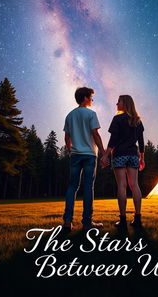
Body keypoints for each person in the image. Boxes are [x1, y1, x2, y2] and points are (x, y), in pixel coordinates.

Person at [63, 87, 107, 231]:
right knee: (88, 187)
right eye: (91, 97)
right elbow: (95, 134)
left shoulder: (69, 115)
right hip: (89, 155)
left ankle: (67, 222)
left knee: (72, 187)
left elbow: (67, 138)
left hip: (75, 155)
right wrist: (103, 153)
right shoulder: (91, 114)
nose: (92, 100)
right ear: (86, 98)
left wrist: (71, 150)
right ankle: (87, 222)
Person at [101, 95, 145, 229]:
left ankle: (123, 220)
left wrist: (106, 155)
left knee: (122, 186)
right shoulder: (138, 121)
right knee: (135, 185)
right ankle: (137, 219)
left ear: (125, 103)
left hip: (119, 154)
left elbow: (113, 140)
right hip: (133, 155)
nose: (116, 104)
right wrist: (142, 158)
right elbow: (141, 142)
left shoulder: (117, 119)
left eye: (118, 101)